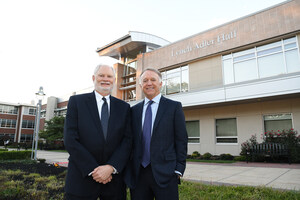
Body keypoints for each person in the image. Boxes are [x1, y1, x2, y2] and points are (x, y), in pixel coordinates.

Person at [64, 64, 132, 200]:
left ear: (114, 80)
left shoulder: (124, 107)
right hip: (81, 179)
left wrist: (110, 167)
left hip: (113, 181)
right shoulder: (77, 102)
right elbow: (70, 139)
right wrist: (93, 170)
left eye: (109, 76)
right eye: (101, 75)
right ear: (94, 78)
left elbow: (127, 140)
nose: (105, 79)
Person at [125, 68, 188, 200]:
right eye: (145, 80)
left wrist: (179, 169)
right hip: (138, 174)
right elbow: (129, 141)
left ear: (160, 83)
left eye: (153, 80)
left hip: (166, 173)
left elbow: (181, 139)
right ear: (141, 85)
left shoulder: (174, 107)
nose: (149, 83)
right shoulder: (133, 110)